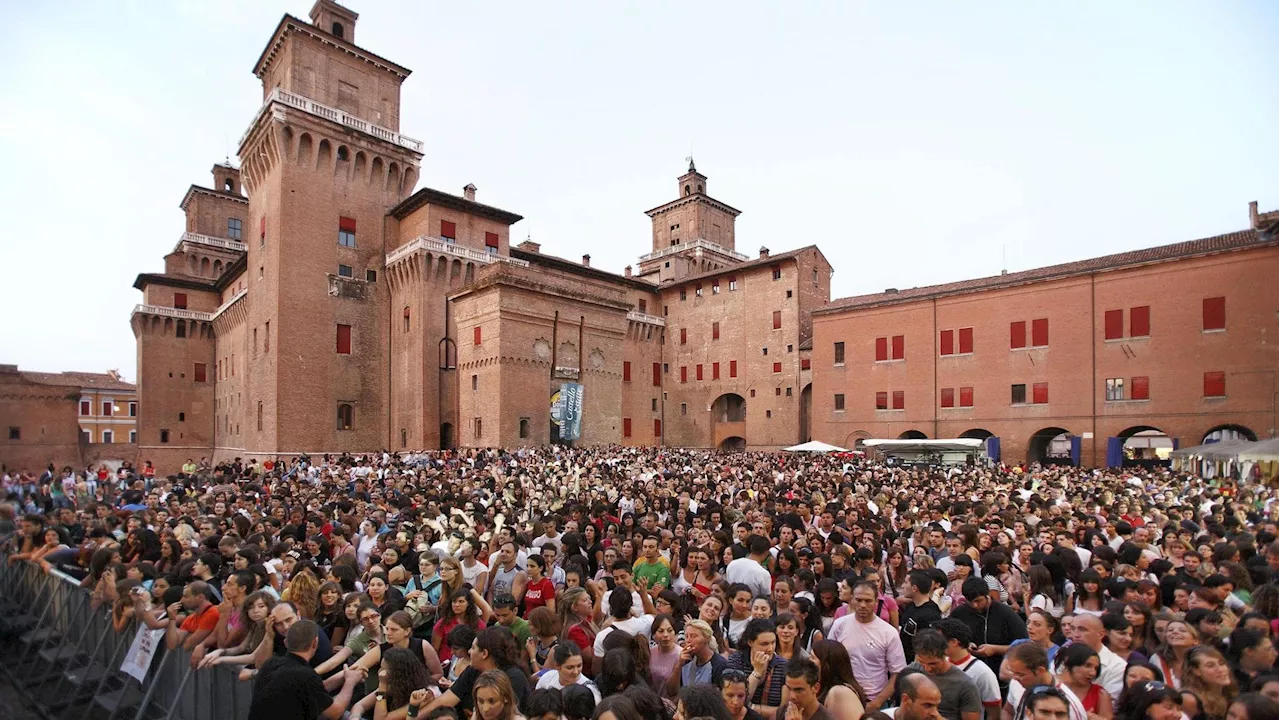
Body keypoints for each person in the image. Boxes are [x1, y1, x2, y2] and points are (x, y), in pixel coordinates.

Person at [246, 619, 365, 720]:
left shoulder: (271, 664)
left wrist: (342, 676)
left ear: (286, 642)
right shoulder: (304, 675)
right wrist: (350, 682)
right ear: (315, 643)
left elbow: (313, 689)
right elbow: (335, 712)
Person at [827, 580, 905, 713]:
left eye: (868, 601)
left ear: (876, 601)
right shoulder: (839, 625)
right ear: (851, 599)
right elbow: (827, 659)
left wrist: (876, 703)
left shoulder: (888, 632)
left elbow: (897, 673)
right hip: (842, 698)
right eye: (858, 600)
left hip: (874, 701)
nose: (863, 605)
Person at [951, 577, 1028, 678]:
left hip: (1001, 670)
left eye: (979, 601)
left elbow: (1024, 645)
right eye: (971, 602)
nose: (975, 605)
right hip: (969, 672)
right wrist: (965, 645)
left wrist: (996, 649)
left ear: (988, 595)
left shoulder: (1005, 613)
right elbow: (949, 637)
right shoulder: (960, 613)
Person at [907, 628, 982, 720]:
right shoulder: (911, 671)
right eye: (922, 662)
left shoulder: (965, 685)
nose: (927, 669)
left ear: (945, 653)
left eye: (933, 663)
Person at [935, 619, 1002, 720]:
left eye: (939, 640)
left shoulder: (982, 672)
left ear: (954, 642)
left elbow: (994, 712)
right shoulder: (938, 663)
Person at [1003, 642, 1088, 720]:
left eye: (1020, 674)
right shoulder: (1017, 682)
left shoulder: (1070, 704)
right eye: (1013, 673)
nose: (1015, 678)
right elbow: (1008, 711)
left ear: (1040, 671)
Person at [728, 618, 789, 720]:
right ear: (750, 642)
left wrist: (752, 707)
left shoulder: (783, 665)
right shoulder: (736, 661)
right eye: (764, 644)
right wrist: (757, 672)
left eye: (773, 642)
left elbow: (783, 711)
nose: (770, 649)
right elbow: (737, 703)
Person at [1070, 614, 1126, 702]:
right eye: (1073, 629)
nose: (1076, 635)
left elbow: (1110, 703)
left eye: (1082, 629)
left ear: (1100, 634)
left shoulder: (1117, 666)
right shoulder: (1063, 656)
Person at [807, 641, 868, 720]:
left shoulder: (840, 693)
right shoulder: (820, 688)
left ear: (826, 664)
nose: (808, 661)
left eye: (812, 657)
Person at [667, 619, 728, 694]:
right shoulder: (685, 660)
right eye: (687, 636)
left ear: (707, 638)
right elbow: (671, 692)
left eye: (693, 636)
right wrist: (678, 666)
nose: (689, 640)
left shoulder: (719, 665)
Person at [1053, 643, 1112, 720]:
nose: (1093, 673)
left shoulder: (1100, 694)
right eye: (1087, 665)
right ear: (1067, 660)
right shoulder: (1049, 685)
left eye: (1096, 668)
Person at [1182, 645, 1238, 720]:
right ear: (1197, 671)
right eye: (1210, 666)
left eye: (1221, 663)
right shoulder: (1189, 699)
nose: (1220, 669)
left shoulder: (1230, 693)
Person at [898, 571, 943, 664]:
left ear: (914, 588)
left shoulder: (930, 614)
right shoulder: (911, 606)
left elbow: (929, 645)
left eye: (906, 583)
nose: (903, 586)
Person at [536, 641, 602, 702]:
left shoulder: (590, 690)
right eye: (570, 667)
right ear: (557, 666)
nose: (576, 672)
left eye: (579, 666)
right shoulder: (547, 678)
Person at [726, 536, 774, 600]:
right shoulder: (763, 573)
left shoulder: (732, 564)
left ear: (751, 547)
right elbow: (766, 598)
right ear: (766, 553)